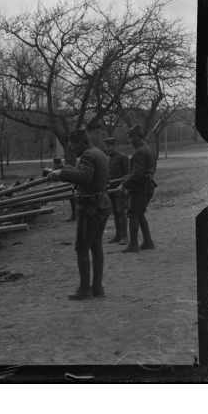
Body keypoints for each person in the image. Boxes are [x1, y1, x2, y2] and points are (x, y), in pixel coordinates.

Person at [48, 127, 111, 299]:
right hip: (102, 203)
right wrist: (66, 170)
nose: (72, 148)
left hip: (90, 207)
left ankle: (84, 290)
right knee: (96, 245)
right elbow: (104, 179)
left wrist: (61, 173)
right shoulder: (100, 153)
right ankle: (97, 288)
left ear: (82, 142)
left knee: (82, 247)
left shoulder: (88, 155)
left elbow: (84, 177)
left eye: (74, 145)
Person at [118, 124, 157, 252]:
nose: (129, 141)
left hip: (140, 187)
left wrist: (123, 185)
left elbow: (137, 174)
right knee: (139, 213)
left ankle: (134, 245)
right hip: (146, 185)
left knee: (133, 213)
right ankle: (148, 242)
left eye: (130, 138)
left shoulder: (140, 151)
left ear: (137, 137)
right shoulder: (147, 148)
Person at [103, 137, 130, 245]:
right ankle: (118, 236)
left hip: (120, 189)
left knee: (121, 212)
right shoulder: (108, 159)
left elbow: (127, 175)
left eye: (109, 147)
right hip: (111, 190)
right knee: (115, 212)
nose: (107, 149)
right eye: (106, 147)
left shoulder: (123, 157)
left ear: (115, 147)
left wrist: (124, 187)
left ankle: (125, 237)